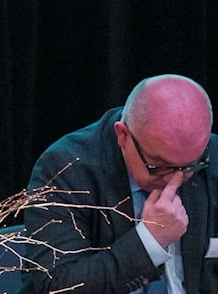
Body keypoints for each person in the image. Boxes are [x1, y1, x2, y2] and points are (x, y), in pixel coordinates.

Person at [22, 74, 218, 294]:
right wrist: (149, 241)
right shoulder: (66, 169)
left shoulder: (212, 156)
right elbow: (57, 286)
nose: (176, 179)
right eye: (159, 167)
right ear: (123, 135)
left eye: (190, 166)